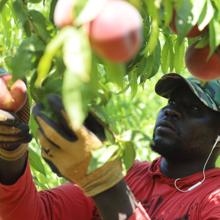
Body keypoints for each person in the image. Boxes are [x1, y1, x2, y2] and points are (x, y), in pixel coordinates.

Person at [0, 72, 220, 220]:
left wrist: (106, 184)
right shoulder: (130, 174)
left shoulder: (213, 199)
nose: (171, 111)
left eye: (193, 109)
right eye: (171, 103)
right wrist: (11, 156)